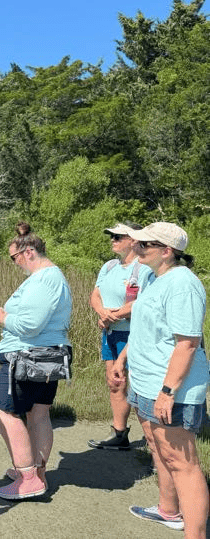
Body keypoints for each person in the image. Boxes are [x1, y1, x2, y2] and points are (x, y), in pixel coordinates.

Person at [111, 222, 208, 538]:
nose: (136, 248)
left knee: (183, 464)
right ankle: (168, 510)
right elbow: (143, 326)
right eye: (136, 243)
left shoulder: (183, 284)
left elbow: (187, 343)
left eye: (144, 245)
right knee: (158, 447)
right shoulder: (152, 278)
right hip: (145, 382)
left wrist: (168, 391)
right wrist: (122, 360)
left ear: (167, 251)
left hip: (169, 388)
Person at [0, 222, 71, 500]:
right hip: (43, 355)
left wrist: (1, 317)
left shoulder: (44, 279)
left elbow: (30, 324)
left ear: (28, 252)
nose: (15, 263)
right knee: (38, 413)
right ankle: (36, 472)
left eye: (14, 258)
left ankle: (27, 477)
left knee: (3, 410)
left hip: (27, 355)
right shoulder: (50, 278)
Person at [87, 222, 154, 450]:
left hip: (133, 333)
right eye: (112, 237)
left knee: (139, 388)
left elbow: (143, 302)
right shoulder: (109, 266)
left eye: (118, 237)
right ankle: (119, 434)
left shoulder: (144, 269)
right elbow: (95, 295)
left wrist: (112, 315)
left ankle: (154, 442)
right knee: (115, 382)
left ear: (134, 240)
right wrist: (102, 313)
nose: (113, 241)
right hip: (111, 333)